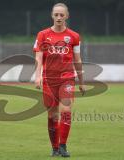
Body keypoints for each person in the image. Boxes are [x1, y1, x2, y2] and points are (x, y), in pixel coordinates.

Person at [33, 3, 85, 157]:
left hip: (67, 78)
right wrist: (37, 76)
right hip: (49, 79)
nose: (59, 17)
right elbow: (38, 57)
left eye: (62, 15)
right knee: (52, 115)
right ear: (52, 15)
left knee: (67, 110)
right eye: (56, 14)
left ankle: (63, 145)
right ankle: (54, 148)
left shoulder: (74, 36)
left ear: (67, 16)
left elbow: (78, 59)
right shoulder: (42, 35)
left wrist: (81, 81)